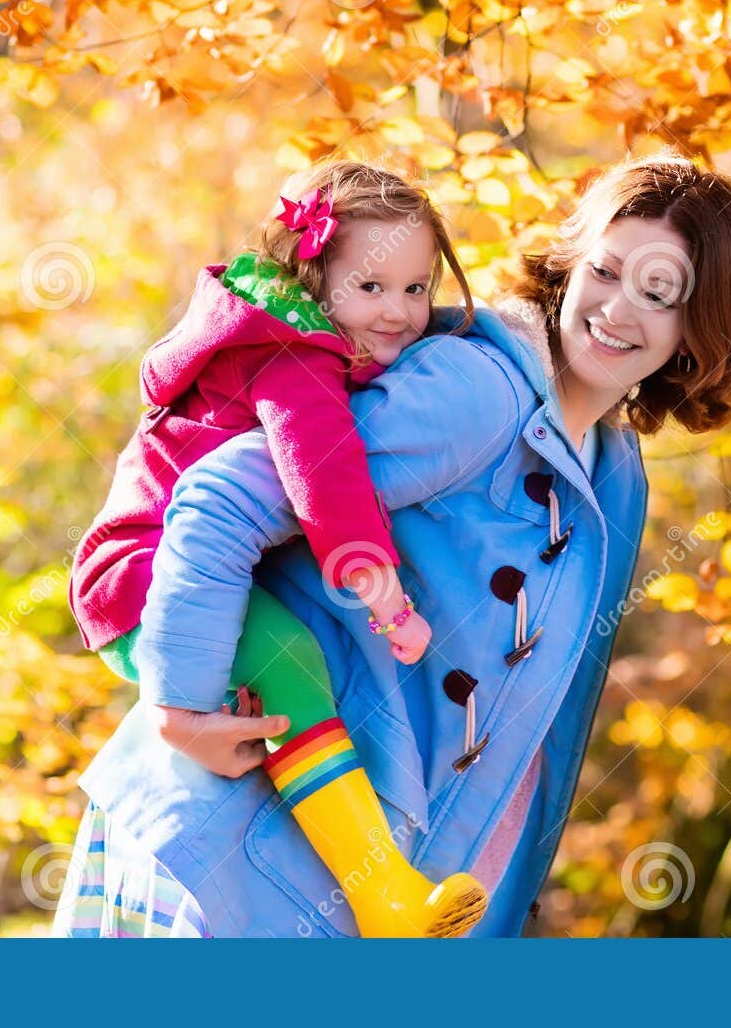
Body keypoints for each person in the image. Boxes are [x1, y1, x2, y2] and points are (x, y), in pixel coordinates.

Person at [52, 151, 731, 937]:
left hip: (376, 898)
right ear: (571, 265)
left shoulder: (609, 474)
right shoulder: (475, 391)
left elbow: (523, 757)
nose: (617, 308)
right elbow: (220, 498)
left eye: (658, 293)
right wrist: (182, 703)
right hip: (231, 858)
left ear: (697, 327)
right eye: (604, 271)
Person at [68, 159, 489, 935]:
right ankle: (383, 892)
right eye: (370, 287)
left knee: (285, 669)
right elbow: (322, 469)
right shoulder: (297, 358)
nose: (398, 311)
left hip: (158, 564)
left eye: (416, 287)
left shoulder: (291, 333)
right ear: (316, 277)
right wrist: (376, 579)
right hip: (139, 574)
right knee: (288, 656)